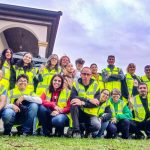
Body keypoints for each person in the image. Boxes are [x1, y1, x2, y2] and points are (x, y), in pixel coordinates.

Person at [70, 67, 101, 138]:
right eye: (84, 74)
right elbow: (72, 98)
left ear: (91, 75)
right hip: (79, 112)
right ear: (80, 74)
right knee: (73, 103)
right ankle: (76, 131)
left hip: (91, 113)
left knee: (97, 126)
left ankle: (87, 131)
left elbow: (96, 104)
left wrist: (82, 103)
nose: (86, 76)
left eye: (88, 74)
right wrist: (88, 100)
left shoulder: (96, 85)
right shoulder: (76, 84)